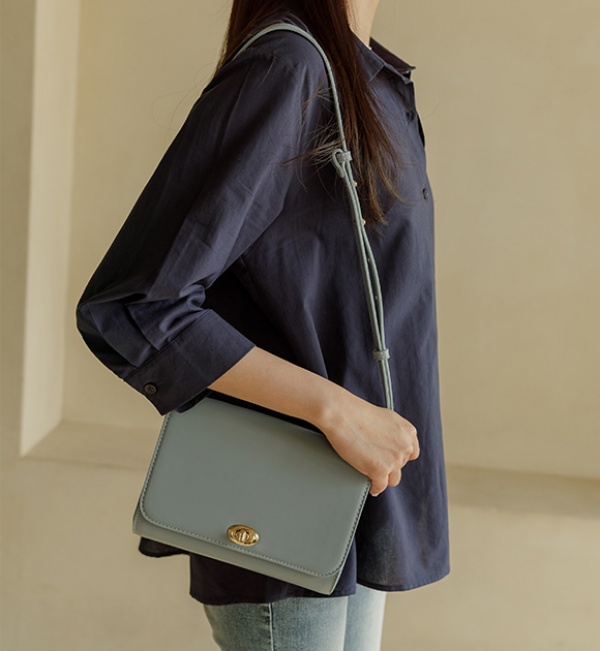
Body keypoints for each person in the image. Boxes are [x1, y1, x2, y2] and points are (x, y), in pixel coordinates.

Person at [76, 0, 450, 648]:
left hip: (356, 495)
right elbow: (138, 303)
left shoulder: (367, 81)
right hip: (283, 509)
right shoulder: (289, 69)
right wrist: (336, 411)